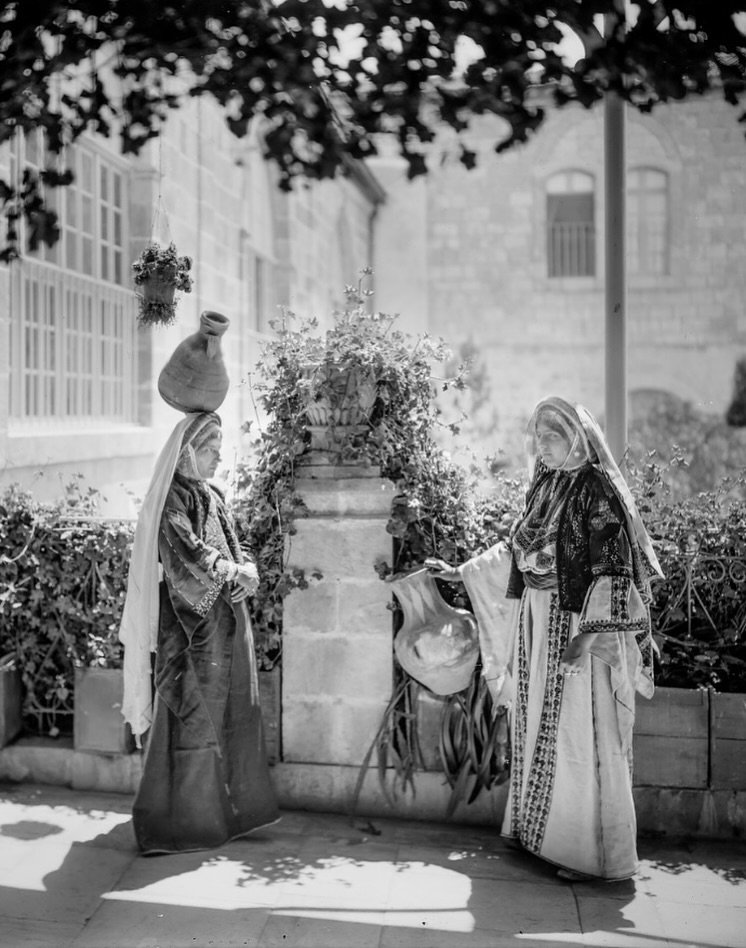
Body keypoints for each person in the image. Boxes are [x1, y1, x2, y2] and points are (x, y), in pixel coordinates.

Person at [427, 396, 663, 882]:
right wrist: (462, 572)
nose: (540, 447)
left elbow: (615, 569)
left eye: (549, 437)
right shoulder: (546, 483)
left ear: (576, 438)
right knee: (540, 726)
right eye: (537, 438)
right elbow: (518, 549)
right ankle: (541, 837)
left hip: (576, 624)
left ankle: (592, 856)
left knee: (581, 730)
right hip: (537, 621)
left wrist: (586, 637)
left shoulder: (596, 489)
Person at [119, 411, 279, 854]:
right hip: (194, 634)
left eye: (219, 450)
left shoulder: (214, 494)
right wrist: (235, 573)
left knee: (233, 717)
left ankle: (226, 816)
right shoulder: (172, 499)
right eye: (210, 450)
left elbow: (232, 541)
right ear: (188, 451)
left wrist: (247, 566)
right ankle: (180, 825)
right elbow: (186, 555)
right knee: (194, 721)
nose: (218, 459)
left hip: (229, 625)